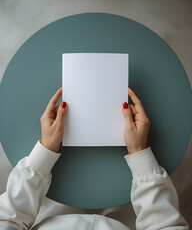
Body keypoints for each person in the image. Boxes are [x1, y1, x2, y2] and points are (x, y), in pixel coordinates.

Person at [0, 87, 189, 230]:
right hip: (129, 212)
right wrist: (139, 152)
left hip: (47, 207)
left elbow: (7, 219)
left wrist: (46, 149)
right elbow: (165, 226)